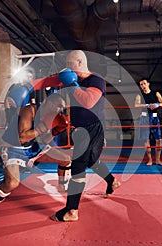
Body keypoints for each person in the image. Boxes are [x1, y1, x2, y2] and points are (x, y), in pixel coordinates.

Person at [0, 93, 71, 227]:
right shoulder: (30, 110)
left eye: (61, 108)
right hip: (13, 149)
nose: (58, 110)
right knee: (12, 183)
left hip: (31, 149)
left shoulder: (50, 118)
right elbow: (22, 137)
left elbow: (43, 141)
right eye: (57, 105)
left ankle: (62, 185)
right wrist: (45, 126)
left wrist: (55, 131)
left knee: (66, 159)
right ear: (47, 102)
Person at [50, 50, 121, 222]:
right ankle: (112, 181)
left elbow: (88, 102)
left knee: (78, 167)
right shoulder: (72, 80)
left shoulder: (96, 80)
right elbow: (55, 85)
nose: (68, 68)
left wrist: (71, 83)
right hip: (80, 129)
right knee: (91, 162)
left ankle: (72, 210)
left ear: (80, 63)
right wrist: (31, 84)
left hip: (93, 128)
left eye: (70, 64)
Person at [134, 79, 162, 167]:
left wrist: (157, 104)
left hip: (154, 118)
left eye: (144, 83)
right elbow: (136, 105)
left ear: (148, 84)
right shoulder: (139, 95)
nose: (143, 86)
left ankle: (158, 160)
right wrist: (147, 105)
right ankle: (150, 160)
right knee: (146, 139)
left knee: (159, 140)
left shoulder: (156, 93)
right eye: (141, 84)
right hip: (144, 117)